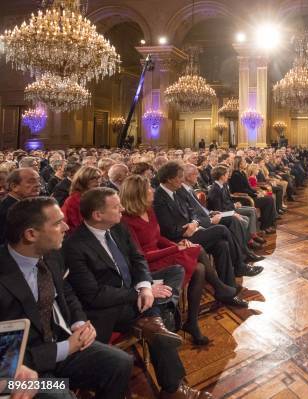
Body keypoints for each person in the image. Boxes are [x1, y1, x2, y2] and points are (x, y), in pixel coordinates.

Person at [63, 188, 210, 399]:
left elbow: (138, 258)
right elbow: (95, 295)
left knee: (175, 271)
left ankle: (155, 316)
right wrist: (138, 293)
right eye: (116, 207)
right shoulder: (75, 246)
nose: (122, 208)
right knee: (158, 320)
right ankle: (173, 388)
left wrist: (145, 286)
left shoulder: (118, 227)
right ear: (98, 215)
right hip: (110, 306)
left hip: (135, 290)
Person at [0, 197, 133, 399]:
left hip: (60, 342)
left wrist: (78, 322)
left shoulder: (52, 253)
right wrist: (66, 347)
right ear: (31, 234)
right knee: (60, 393)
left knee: (120, 362)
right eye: (57, 223)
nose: (66, 227)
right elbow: (6, 356)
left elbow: (65, 290)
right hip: (18, 365)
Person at [120, 175, 220, 345]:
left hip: (161, 252)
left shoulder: (149, 210)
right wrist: (175, 248)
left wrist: (177, 244)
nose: (152, 190)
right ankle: (217, 290)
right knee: (198, 251)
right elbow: (140, 256)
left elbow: (158, 238)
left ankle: (192, 321)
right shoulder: (126, 221)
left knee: (199, 266)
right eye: (148, 188)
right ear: (138, 194)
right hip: (146, 264)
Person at [154, 162, 262, 291]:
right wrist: (187, 229)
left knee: (222, 245)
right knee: (221, 229)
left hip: (193, 230)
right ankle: (239, 265)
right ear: (169, 179)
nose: (182, 179)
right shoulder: (159, 197)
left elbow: (191, 212)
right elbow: (168, 230)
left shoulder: (174, 191)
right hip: (180, 240)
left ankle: (228, 287)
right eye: (179, 176)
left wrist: (195, 223)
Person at [229, 157, 277, 233]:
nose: (246, 163)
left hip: (249, 195)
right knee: (269, 200)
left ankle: (267, 224)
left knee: (269, 198)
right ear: (239, 163)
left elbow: (249, 187)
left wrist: (257, 193)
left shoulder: (242, 173)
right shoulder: (235, 174)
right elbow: (241, 190)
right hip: (243, 198)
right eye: (244, 161)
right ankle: (265, 226)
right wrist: (255, 194)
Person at [0, 168, 42, 244]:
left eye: (38, 180)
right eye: (31, 181)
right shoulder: (8, 211)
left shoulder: (22, 205)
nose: (38, 184)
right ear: (14, 186)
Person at [61, 166, 102, 234]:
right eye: (93, 178)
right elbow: (77, 227)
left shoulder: (97, 196)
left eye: (99, 178)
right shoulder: (73, 201)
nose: (98, 182)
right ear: (83, 180)